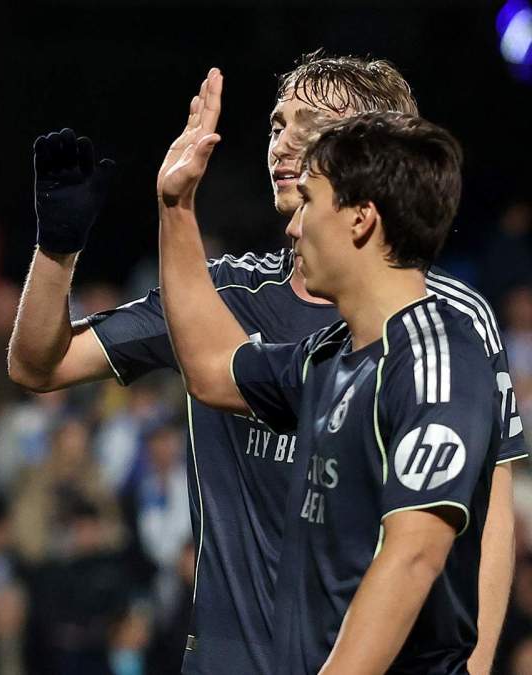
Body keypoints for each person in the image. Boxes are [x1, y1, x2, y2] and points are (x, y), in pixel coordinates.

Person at [6, 53, 525, 673]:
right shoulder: (259, 320)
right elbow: (51, 366)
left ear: (371, 157)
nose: (282, 143)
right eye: (278, 124)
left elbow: (471, 521)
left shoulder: (446, 329)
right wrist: (67, 247)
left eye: (309, 126)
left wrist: (479, 665)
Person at [158, 68, 492, 672]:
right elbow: (210, 370)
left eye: (308, 202)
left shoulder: (437, 357)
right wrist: (176, 207)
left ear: (360, 217)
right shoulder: (330, 357)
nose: (292, 225)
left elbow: (413, 555)